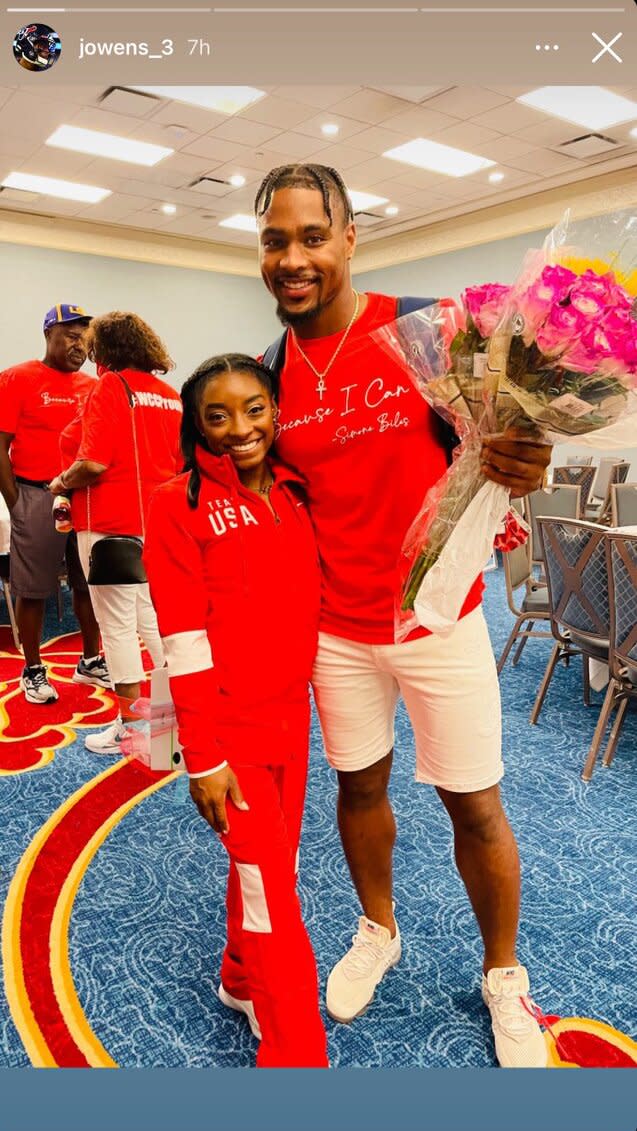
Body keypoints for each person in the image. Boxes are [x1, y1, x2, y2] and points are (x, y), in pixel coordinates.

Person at [253, 163, 552, 1068]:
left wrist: (527, 454)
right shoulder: (270, 368)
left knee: (475, 806)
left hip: (439, 619)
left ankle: (504, 976)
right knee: (358, 790)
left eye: (312, 236)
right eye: (275, 240)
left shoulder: (429, 330)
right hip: (335, 629)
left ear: (350, 237)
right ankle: (377, 929)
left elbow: (510, 433)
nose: (293, 258)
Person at [143, 353, 328, 1069]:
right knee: (274, 897)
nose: (239, 428)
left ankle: (238, 978)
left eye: (254, 408)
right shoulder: (176, 503)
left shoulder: (295, 490)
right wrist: (206, 756)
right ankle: (293, 1056)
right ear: (195, 423)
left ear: (275, 410)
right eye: (217, 415)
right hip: (230, 734)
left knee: (269, 866)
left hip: (292, 720)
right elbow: (182, 639)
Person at [49, 312, 182, 753]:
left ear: (104, 348)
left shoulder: (111, 386)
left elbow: (94, 464)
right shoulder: (168, 395)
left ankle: (131, 728)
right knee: (152, 624)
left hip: (109, 526)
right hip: (157, 526)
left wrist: (61, 483)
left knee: (118, 629)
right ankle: (172, 720)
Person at [0, 304, 109, 704]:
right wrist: (17, 502)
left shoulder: (94, 385)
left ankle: (91, 660)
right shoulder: (17, 378)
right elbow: (0, 445)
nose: (80, 344)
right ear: (48, 334)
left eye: (86, 337)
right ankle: (32, 669)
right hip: (36, 494)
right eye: (71, 335)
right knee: (33, 590)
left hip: (83, 497)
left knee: (89, 584)